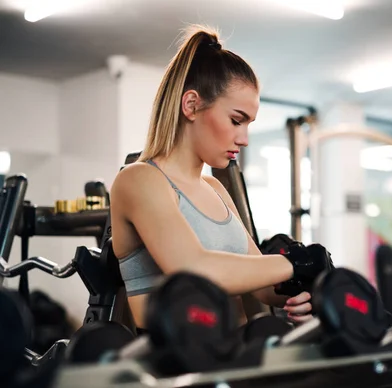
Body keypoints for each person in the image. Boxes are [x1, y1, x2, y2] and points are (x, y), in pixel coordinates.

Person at [110, 25, 330, 331]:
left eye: (248, 125)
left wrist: (302, 291)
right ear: (191, 105)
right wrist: (295, 262)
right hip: (177, 367)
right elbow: (194, 270)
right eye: (236, 120)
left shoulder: (215, 188)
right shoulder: (139, 180)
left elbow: (262, 287)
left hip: (235, 358)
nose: (244, 139)